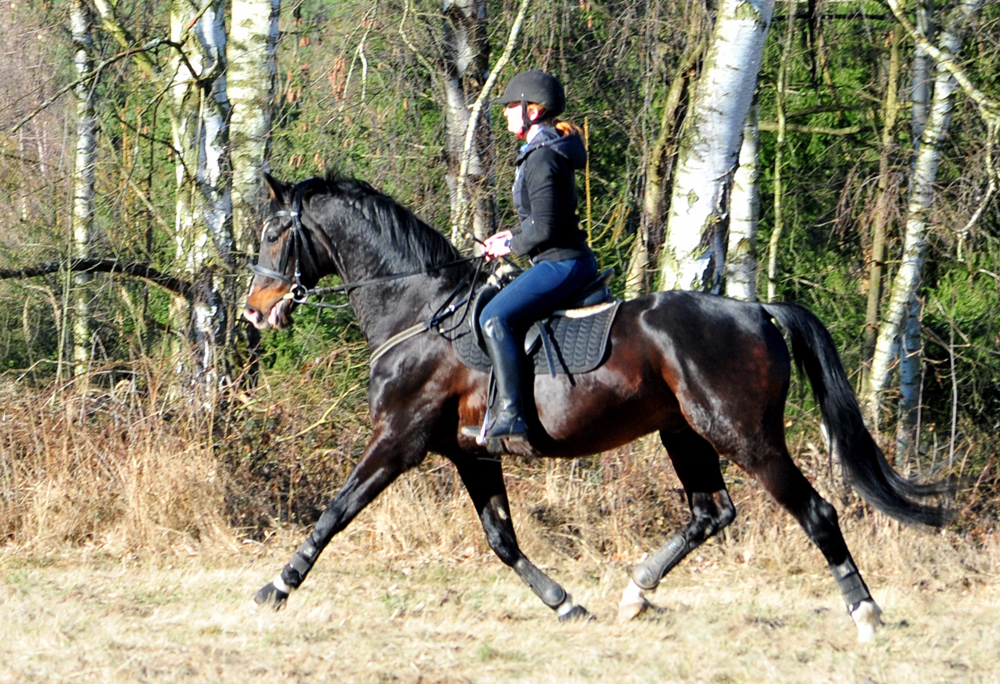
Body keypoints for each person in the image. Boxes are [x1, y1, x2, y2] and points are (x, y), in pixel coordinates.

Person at [476, 69, 598, 444]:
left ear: (533, 109)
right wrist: (508, 234)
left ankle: (512, 414)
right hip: (557, 257)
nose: (506, 112)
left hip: (562, 262)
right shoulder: (541, 150)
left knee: (493, 316)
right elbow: (543, 219)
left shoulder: (542, 158)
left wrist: (509, 246)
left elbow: (544, 230)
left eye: (512, 105)